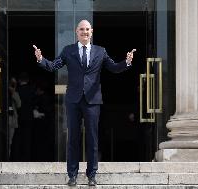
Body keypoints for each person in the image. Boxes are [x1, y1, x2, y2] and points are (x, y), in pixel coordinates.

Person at [33, 19, 136, 186]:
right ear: (76, 32)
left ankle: (92, 175)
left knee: (92, 139)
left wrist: (127, 62)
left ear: (92, 31)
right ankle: (72, 175)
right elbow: (53, 65)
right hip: (73, 100)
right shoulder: (68, 50)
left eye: (87, 29)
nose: (84, 32)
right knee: (72, 138)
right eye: (81, 29)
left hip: (92, 100)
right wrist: (41, 59)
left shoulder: (100, 51)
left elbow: (114, 68)